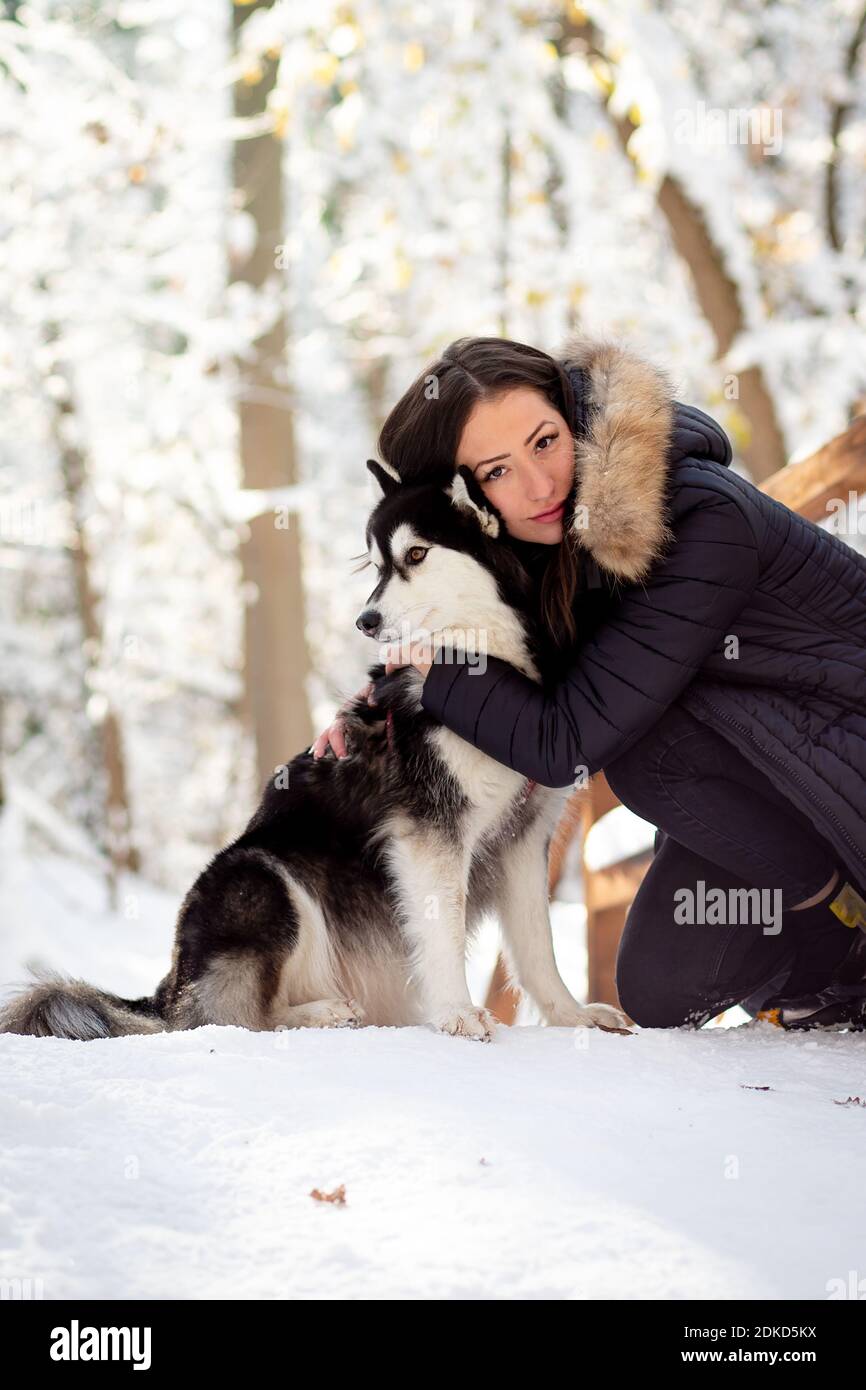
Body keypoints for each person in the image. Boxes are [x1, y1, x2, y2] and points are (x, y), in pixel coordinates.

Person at [312, 332, 866, 1031]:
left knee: (642, 755)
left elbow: (563, 739)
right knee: (663, 988)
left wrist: (430, 673)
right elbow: (499, 640)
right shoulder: (545, 538)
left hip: (846, 752)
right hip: (781, 777)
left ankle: (836, 918)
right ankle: (839, 931)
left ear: (571, 415)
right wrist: (376, 712)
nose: (537, 485)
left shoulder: (701, 519)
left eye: (545, 442)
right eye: (497, 471)